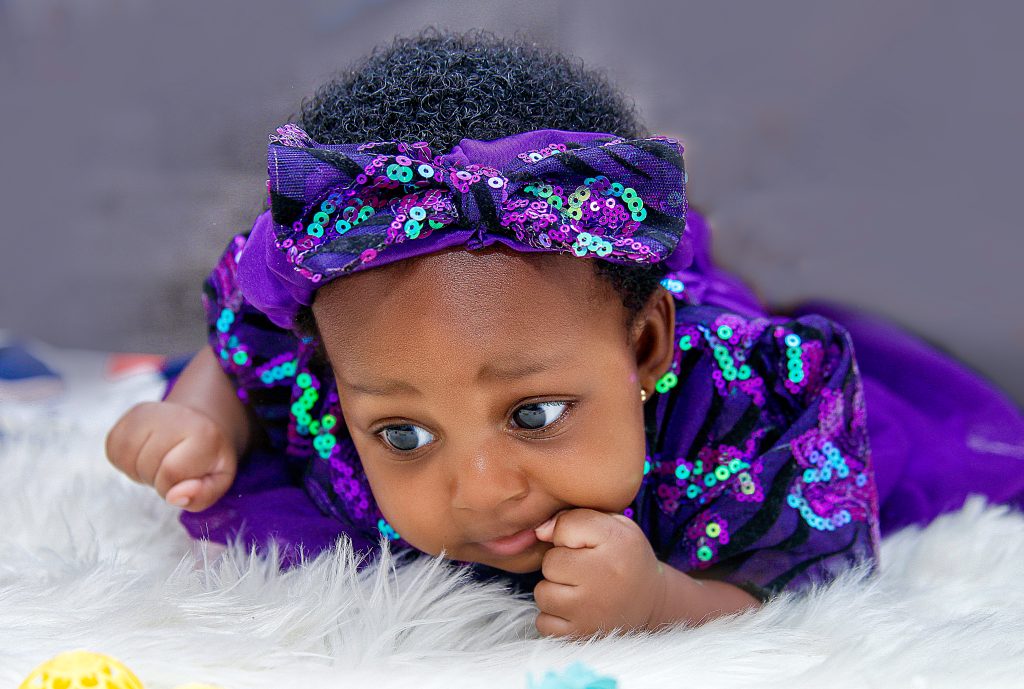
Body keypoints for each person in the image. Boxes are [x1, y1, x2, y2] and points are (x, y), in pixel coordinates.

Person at [105, 28, 1024, 639]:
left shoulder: (737, 412)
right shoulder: (337, 364)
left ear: (643, 350)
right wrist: (198, 417)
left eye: (535, 413)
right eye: (403, 433)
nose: (481, 489)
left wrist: (665, 601)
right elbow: (247, 345)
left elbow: (802, 589)